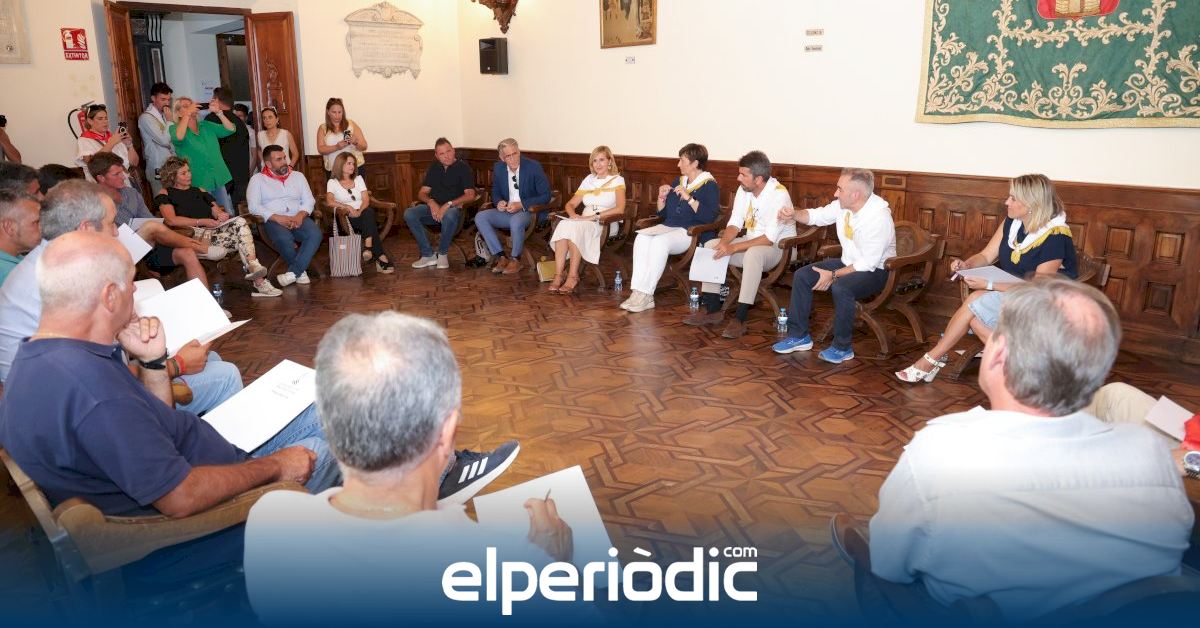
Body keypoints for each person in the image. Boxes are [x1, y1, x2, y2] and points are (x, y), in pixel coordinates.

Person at [0, 230, 340, 594]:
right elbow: (180, 498)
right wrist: (275, 466)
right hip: (205, 530)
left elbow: (150, 429)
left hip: (195, 470)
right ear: (109, 295)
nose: (135, 290)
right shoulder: (94, 393)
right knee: (332, 445)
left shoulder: (41, 358)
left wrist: (153, 363)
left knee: (325, 407)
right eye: (131, 281)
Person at [868, 276, 1193, 621]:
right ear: (1099, 369)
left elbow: (889, 565)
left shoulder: (939, 451)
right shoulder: (1153, 456)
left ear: (997, 355)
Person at [243, 312, 549, 623]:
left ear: (330, 428)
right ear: (446, 433)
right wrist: (547, 558)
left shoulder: (269, 519)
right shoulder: (494, 569)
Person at [0, 180, 244, 418]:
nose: (117, 232)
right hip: (72, 409)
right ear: (86, 228)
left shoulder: (50, 261)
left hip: (58, 395)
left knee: (209, 359)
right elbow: (102, 378)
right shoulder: (70, 279)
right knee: (226, 375)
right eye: (111, 224)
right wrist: (176, 365)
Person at [895, 174, 1078, 383]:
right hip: (1014, 293)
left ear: (1031, 204)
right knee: (974, 314)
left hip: (1046, 302)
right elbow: (985, 256)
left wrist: (990, 284)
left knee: (975, 304)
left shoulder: (1055, 235)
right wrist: (967, 265)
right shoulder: (1012, 222)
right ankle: (1012, 364)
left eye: (1013, 198)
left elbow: (1037, 287)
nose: (1006, 202)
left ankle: (933, 359)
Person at [772, 168, 896, 364]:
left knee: (842, 288)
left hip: (877, 271)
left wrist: (833, 275)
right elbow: (817, 216)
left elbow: (867, 263)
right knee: (803, 276)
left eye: (840, 189)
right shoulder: (842, 205)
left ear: (855, 195)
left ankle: (842, 347)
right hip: (849, 263)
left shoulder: (879, 219)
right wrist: (793, 214)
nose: (835, 193)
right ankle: (799, 336)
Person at [684, 151, 794, 338]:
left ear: (758, 179)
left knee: (753, 255)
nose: (738, 178)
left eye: (743, 175)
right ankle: (712, 310)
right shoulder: (745, 190)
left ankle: (740, 318)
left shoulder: (778, 194)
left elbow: (768, 239)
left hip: (781, 248)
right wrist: (724, 243)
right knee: (711, 246)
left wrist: (733, 248)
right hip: (751, 242)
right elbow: (735, 223)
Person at [87, 152, 221, 291]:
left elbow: (149, 218)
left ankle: (206, 300)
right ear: (101, 178)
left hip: (150, 245)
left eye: (122, 172)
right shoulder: (94, 203)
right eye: (116, 174)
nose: (123, 176)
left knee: (187, 253)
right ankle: (201, 248)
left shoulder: (131, 193)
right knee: (150, 226)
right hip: (122, 253)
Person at [154, 156, 282, 297]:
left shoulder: (199, 191)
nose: (189, 175)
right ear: (172, 176)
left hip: (213, 234)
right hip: (191, 237)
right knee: (243, 240)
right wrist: (201, 221)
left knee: (240, 222)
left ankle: (253, 266)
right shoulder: (165, 193)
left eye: (189, 171)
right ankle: (259, 282)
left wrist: (222, 216)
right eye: (183, 173)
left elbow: (216, 211)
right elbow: (171, 220)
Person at [621, 142, 720, 313]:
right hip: (669, 227)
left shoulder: (709, 185)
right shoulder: (679, 181)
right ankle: (637, 291)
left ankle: (646, 294)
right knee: (641, 238)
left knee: (660, 242)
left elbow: (709, 217)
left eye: (682, 160)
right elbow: (664, 214)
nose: (678, 164)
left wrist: (689, 198)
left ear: (695, 163)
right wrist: (662, 197)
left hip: (690, 232)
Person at [547, 145, 625, 294]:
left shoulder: (617, 180)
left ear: (609, 161)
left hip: (605, 222)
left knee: (576, 228)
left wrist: (594, 216)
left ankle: (573, 276)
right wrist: (573, 215)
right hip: (584, 220)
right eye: (595, 161)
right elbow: (570, 204)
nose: (598, 164)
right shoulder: (589, 180)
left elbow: (620, 209)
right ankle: (559, 275)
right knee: (564, 224)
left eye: (602, 160)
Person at [474, 138, 552, 275]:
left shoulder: (533, 167)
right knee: (481, 217)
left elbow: (546, 196)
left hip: (530, 212)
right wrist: (499, 202)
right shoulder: (499, 168)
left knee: (516, 220)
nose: (513, 158)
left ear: (519, 151)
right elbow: (495, 191)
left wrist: (521, 204)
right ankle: (501, 256)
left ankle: (516, 259)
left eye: (515, 153)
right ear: (502, 158)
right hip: (508, 211)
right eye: (508, 156)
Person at [248, 145, 319, 288]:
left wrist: (300, 215)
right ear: (268, 164)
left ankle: (294, 273)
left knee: (315, 234)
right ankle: (300, 272)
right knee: (283, 239)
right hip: (274, 221)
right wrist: (276, 217)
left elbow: (309, 200)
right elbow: (253, 206)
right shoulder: (257, 180)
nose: (284, 162)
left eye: (284, 158)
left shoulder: (298, 176)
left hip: (297, 217)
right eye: (279, 159)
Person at [404, 138, 476, 270]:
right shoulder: (434, 168)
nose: (446, 156)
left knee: (450, 214)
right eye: (442, 154)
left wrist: (448, 204)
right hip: (434, 211)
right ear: (436, 156)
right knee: (409, 213)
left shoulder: (463, 168)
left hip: (454, 212)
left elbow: (470, 195)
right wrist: (431, 202)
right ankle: (428, 254)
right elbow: (422, 193)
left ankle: (442, 254)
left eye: (448, 151)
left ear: (453, 151)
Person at [325, 152, 394, 273]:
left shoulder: (358, 179)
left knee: (368, 212)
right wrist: (347, 207)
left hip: (363, 214)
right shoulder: (332, 182)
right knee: (370, 221)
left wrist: (359, 211)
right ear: (340, 164)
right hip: (345, 217)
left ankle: (369, 248)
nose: (352, 166)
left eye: (353, 164)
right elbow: (330, 201)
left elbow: (366, 200)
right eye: (349, 163)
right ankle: (378, 255)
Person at [170, 96, 236, 213]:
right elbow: (179, 137)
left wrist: (219, 113)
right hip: (198, 181)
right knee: (207, 215)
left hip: (217, 177)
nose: (191, 108)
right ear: (178, 113)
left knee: (226, 213)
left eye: (192, 105)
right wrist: (187, 114)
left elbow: (230, 129)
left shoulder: (206, 125)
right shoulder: (174, 128)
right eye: (186, 106)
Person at [205, 88, 252, 208]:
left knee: (223, 214)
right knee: (241, 212)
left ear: (216, 100)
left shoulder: (211, 120)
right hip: (241, 176)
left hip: (222, 178)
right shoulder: (239, 122)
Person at [75, 103, 139, 183]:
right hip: (102, 187)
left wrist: (129, 145)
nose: (105, 121)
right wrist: (112, 142)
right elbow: (92, 163)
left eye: (106, 118)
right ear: (90, 121)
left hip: (124, 183)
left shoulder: (113, 137)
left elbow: (134, 163)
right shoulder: (85, 140)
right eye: (100, 119)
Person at [138, 82, 176, 194]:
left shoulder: (165, 115)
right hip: (158, 166)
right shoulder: (146, 118)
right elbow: (164, 140)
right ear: (153, 98)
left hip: (171, 165)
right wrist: (170, 121)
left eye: (168, 100)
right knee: (163, 199)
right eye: (163, 99)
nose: (167, 103)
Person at [316, 98, 366, 179]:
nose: (337, 115)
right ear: (328, 112)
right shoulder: (323, 128)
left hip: (354, 169)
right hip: (334, 170)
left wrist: (355, 142)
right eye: (334, 112)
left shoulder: (351, 124)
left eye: (340, 112)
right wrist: (336, 147)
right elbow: (320, 149)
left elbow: (364, 146)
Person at [0, 190, 39, 286]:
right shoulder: (9, 276)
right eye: (36, 222)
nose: (43, 227)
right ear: (9, 227)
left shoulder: (14, 258)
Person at [257, 106, 299, 170]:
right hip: (267, 171)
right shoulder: (260, 135)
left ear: (277, 119)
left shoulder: (286, 134)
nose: (267, 120)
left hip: (284, 170)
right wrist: (263, 162)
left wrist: (290, 167)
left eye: (270, 117)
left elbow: (295, 154)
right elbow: (259, 150)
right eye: (264, 118)